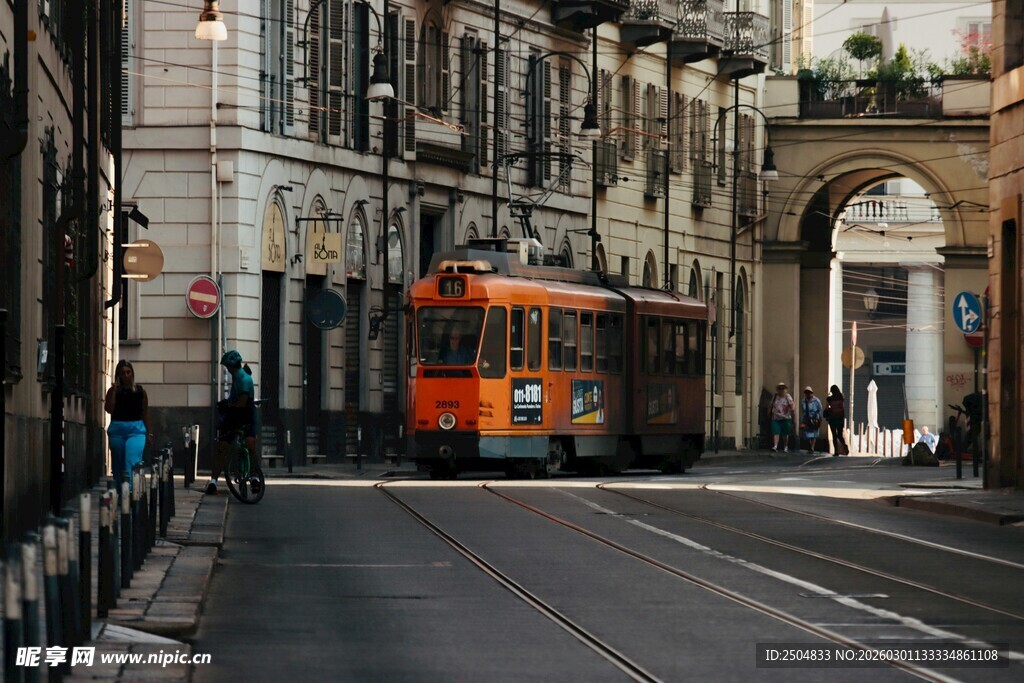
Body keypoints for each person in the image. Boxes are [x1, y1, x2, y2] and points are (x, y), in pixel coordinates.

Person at [209, 349, 258, 495]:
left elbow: (241, 403)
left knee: (243, 446)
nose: (227, 370)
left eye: (227, 367)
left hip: (243, 416)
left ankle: (254, 477)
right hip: (242, 416)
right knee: (240, 446)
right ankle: (214, 482)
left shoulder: (243, 379)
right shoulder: (239, 377)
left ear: (230, 367)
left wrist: (227, 405)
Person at [104, 360, 151, 491]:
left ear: (132, 373)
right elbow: (109, 409)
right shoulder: (113, 391)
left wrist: (149, 433)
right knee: (118, 464)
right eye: (122, 373)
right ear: (118, 375)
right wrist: (114, 391)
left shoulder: (140, 391)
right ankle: (120, 493)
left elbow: (145, 413)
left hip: (136, 431)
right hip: (117, 430)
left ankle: (130, 492)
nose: (126, 376)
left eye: (128, 372)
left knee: (132, 460)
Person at [768, 382, 795, 453]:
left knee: (785, 433)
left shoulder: (787, 396)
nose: (781, 390)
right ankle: (775, 446)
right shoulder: (775, 396)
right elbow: (771, 405)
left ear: (785, 389)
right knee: (775, 432)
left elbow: (792, 405)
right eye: (779, 388)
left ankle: (785, 446)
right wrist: (769, 413)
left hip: (785, 418)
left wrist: (791, 409)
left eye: (782, 388)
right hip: (775, 418)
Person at [824, 385, 848, 457]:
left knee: (834, 435)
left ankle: (836, 451)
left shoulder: (829, 399)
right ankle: (844, 446)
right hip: (840, 418)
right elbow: (842, 408)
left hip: (832, 418)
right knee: (840, 435)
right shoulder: (841, 397)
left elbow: (827, 407)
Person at [800, 386, 824, 455]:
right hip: (806, 418)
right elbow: (803, 411)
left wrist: (820, 419)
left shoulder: (816, 401)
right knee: (806, 433)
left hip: (814, 418)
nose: (808, 394)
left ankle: (812, 447)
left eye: (809, 393)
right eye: (806, 393)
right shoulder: (803, 401)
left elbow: (820, 410)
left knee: (814, 433)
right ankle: (809, 445)